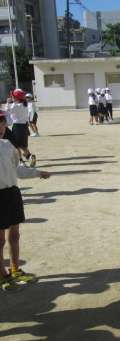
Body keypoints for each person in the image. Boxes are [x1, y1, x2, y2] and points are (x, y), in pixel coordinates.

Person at [0, 112, 50, 291]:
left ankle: (15, 270)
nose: (0, 126)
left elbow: (18, 170)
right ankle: (2, 276)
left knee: (14, 235)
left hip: (12, 193)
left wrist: (37, 173)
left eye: (2, 122)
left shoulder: (8, 146)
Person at [6, 89, 36, 167]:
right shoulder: (24, 105)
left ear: (16, 98)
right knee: (24, 145)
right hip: (24, 126)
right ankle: (30, 157)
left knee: (16, 146)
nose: (11, 97)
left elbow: (7, 111)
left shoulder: (15, 106)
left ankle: (21, 161)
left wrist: (8, 103)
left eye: (13, 96)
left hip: (17, 127)